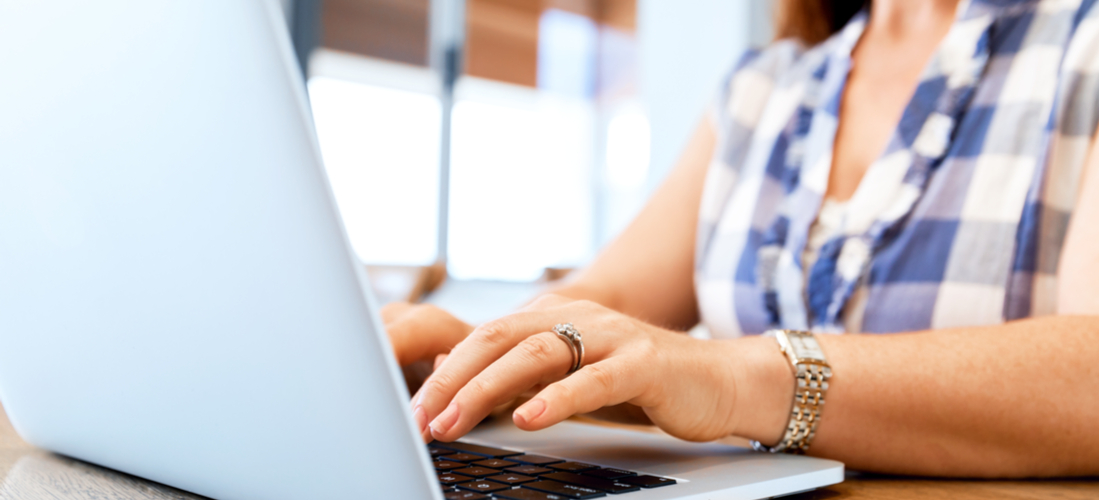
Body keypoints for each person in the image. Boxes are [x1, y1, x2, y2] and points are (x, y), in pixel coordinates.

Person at [382, 0, 1099, 477]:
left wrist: (731, 379)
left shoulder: (1081, 47)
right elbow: (605, 300)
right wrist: (484, 356)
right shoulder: (764, 89)